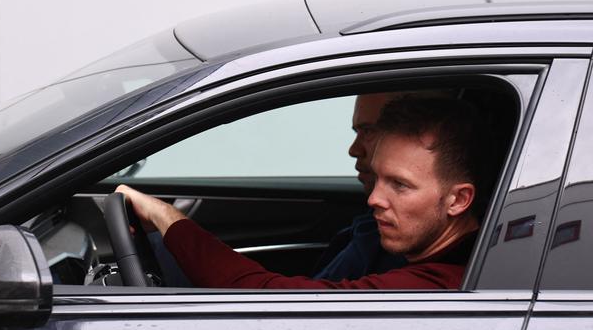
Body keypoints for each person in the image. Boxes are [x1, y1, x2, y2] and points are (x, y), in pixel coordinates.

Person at [116, 95, 492, 290]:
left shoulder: (436, 285)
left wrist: (169, 219)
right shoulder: (445, 258)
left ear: (458, 200)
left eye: (400, 185)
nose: (374, 199)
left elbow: (272, 300)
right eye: (377, 179)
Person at [313, 93, 406, 280]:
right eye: (358, 132)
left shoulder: (417, 272)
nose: (353, 150)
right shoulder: (371, 226)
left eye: (370, 131)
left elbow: (316, 301)